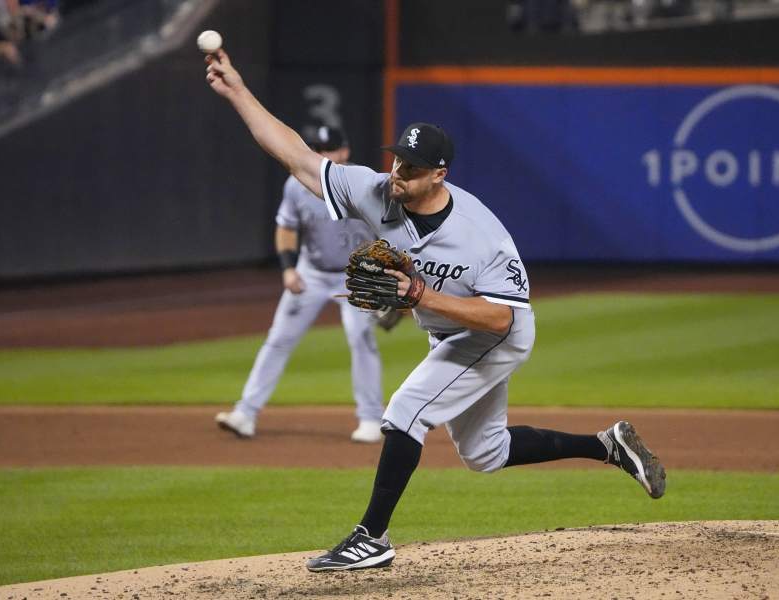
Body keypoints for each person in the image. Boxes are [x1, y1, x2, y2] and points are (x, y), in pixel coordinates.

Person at [203, 48, 666, 572]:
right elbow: (298, 156)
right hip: (449, 331)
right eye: (398, 158)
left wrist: (419, 297)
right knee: (485, 454)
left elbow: (504, 319)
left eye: (413, 167)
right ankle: (607, 445)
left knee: (405, 412)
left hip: (495, 335)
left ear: (439, 174)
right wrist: (238, 90)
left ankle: (370, 538)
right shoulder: (379, 190)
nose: (398, 171)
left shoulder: (482, 237)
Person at [215, 125, 387, 444]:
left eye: (330, 150)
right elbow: (286, 228)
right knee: (278, 339)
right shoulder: (297, 184)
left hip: (356, 276)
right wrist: (288, 269)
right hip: (313, 272)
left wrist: (381, 276)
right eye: (318, 150)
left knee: (361, 338)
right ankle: (245, 413)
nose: (323, 156)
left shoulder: (366, 184)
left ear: (345, 152)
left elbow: (388, 232)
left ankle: (370, 419)